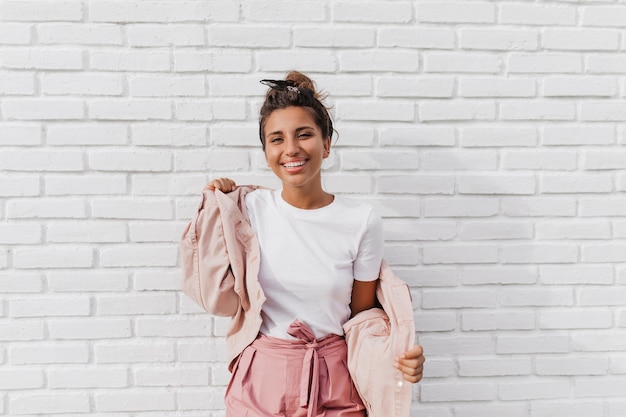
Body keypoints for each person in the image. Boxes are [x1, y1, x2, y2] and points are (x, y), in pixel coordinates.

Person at [181, 71, 425, 417]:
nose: (291, 149)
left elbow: (363, 319)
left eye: (304, 135)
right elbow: (216, 296)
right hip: (262, 377)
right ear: (266, 151)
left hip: (335, 379)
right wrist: (212, 209)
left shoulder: (361, 221)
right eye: (276, 139)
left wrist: (398, 356)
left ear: (326, 144)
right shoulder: (246, 211)